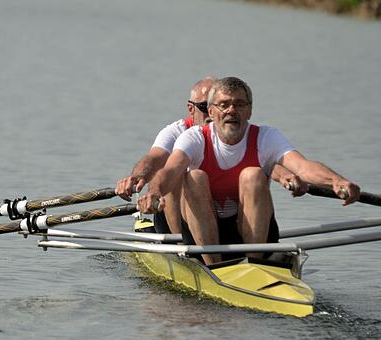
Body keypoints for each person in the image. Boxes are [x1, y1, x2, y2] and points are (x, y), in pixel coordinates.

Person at [137, 77, 360, 265]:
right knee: (194, 176)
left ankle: (255, 265)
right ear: (212, 112)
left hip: (250, 233)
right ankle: (212, 266)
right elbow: (170, 170)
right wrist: (154, 192)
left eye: (239, 104)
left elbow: (303, 166)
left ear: (250, 110)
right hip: (202, 237)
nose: (231, 110)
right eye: (224, 105)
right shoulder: (194, 138)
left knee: (252, 174)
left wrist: (337, 181)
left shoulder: (266, 137)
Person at [116, 77, 304, 234]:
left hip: (230, 216)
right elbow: (154, 160)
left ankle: (255, 254)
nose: (215, 112)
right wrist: (137, 178)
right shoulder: (178, 132)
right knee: (178, 173)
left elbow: (266, 159)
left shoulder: (243, 133)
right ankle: (183, 249)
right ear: (191, 109)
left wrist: (288, 177)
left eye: (220, 104)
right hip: (184, 217)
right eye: (205, 107)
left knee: (254, 174)